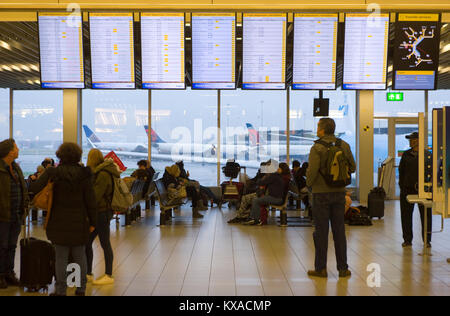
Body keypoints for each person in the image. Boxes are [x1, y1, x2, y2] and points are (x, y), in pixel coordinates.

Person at [30, 143, 97, 296]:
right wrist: (93, 222)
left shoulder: (53, 172)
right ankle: (80, 289)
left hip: (57, 221)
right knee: (80, 256)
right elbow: (91, 201)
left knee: (61, 257)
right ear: (78, 156)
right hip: (79, 222)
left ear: (60, 155)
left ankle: (61, 290)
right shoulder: (85, 175)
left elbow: (34, 188)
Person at [306, 118, 355, 279]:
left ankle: (321, 269)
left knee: (321, 232)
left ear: (322, 129)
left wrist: (309, 185)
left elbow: (312, 172)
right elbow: (353, 167)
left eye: (318, 126)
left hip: (321, 194)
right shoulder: (344, 145)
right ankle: (343, 268)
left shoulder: (317, 147)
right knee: (339, 231)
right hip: (340, 193)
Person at [85, 148, 119, 286]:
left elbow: (96, 196)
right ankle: (88, 273)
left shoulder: (102, 174)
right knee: (88, 242)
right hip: (102, 212)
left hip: (101, 213)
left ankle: (108, 274)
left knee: (104, 243)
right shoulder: (104, 172)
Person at [0, 139, 28, 289]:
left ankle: (9, 273)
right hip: (2, 216)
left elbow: (22, 188)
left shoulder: (16, 168)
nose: (18, 150)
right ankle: (0, 275)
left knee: (11, 246)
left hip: (16, 215)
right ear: (9, 151)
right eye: (16, 147)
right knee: (1, 246)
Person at [399, 132, 432, 248]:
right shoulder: (406, 155)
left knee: (426, 216)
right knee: (406, 215)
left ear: (419, 141)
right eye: (410, 140)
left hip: (424, 190)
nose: (411, 142)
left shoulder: (427, 155)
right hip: (407, 189)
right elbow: (401, 171)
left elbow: (432, 172)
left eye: (413, 140)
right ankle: (407, 240)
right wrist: (402, 186)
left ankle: (427, 240)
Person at [243, 161, 286, 226]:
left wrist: (265, 176)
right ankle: (253, 218)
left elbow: (260, 182)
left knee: (256, 200)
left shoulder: (273, 176)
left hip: (275, 198)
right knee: (256, 199)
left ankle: (256, 220)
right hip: (276, 197)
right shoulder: (276, 175)